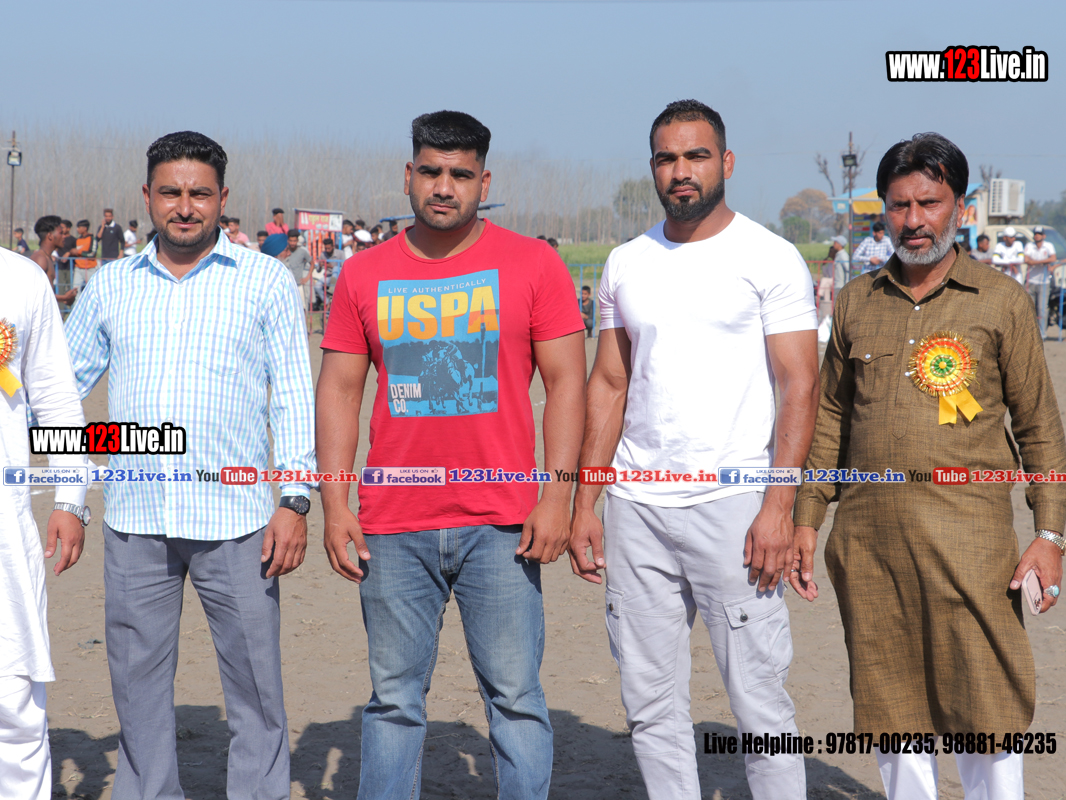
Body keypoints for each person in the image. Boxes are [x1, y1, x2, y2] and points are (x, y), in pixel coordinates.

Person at [316, 109, 586, 800]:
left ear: (483, 183)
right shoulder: (364, 274)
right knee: (394, 702)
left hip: (502, 524)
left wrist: (557, 496)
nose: (444, 187)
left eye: (461, 174)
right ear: (409, 175)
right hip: (392, 524)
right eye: (431, 172)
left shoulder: (534, 264)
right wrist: (335, 503)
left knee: (516, 698)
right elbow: (340, 390)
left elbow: (566, 385)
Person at [792, 132, 1064, 800]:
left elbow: (1039, 429)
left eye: (929, 203)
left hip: (972, 548)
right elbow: (831, 419)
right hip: (871, 548)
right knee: (892, 710)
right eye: (899, 205)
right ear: (883, 210)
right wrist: (806, 518)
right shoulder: (857, 302)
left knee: (986, 706)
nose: (914, 220)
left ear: (960, 208)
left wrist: (1051, 535)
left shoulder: (1000, 301)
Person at [569, 99, 816, 800]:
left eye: (696, 156)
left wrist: (778, 507)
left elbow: (800, 384)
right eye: (667, 158)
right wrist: (587, 503)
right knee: (649, 705)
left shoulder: (770, 257)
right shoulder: (626, 262)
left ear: (726, 162)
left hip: (735, 507)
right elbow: (609, 383)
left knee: (760, 701)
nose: (681, 171)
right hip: (636, 507)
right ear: (653, 167)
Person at [63, 130, 316, 800]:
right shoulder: (110, 286)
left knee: (256, 688)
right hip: (135, 519)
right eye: (170, 192)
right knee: (136, 686)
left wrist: (295, 499)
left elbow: (293, 396)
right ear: (147, 196)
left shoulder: (264, 281)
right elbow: (59, 389)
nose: (184, 206)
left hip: (238, 522)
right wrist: (81, 484)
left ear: (222, 198)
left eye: (199, 193)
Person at [0, 247, 90, 800]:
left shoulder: (20, 279)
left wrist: (70, 496)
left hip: (4, 529)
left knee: (12, 700)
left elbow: (55, 395)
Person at [30, 215, 79, 304]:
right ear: (50, 236)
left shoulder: (47, 257)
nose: (64, 237)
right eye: (61, 233)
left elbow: (46, 295)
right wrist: (64, 297)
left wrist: (65, 299)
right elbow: (34, 294)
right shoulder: (40, 259)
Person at [1024, 224, 1057, 336]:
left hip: (1044, 282)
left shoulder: (1048, 246)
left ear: (1044, 236)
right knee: (1030, 308)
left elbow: (1053, 258)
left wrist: (1035, 262)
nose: (1037, 236)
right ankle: (1030, 333)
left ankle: (1042, 333)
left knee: (1042, 309)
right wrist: (1044, 262)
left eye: (1039, 234)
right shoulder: (1029, 245)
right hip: (1031, 281)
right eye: (1036, 234)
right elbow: (1026, 259)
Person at [279, 229, 312, 308]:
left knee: (302, 307)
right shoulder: (284, 251)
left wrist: (307, 277)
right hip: (286, 286)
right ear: (288, 240)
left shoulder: (302, 251)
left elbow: (312, 263)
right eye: (290, 241)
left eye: (294, 241)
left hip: (298, 285)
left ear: (297, 240)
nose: (292, 243)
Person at [69, 220, 97, 290]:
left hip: (89, 268)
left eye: (79, 227)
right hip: (78, 268)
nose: (77, 229)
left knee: (91, 288)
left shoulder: (92, 239)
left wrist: (79, 252)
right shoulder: (78, 240)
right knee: (75, 289)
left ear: (85, 228)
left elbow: (92, 254)